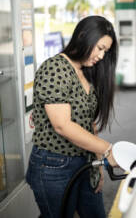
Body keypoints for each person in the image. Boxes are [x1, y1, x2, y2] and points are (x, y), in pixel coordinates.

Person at [26, 15, 119, 218]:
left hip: (85, 161)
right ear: (83, 36)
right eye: (100, 48)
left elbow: (89, 122)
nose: (102, 56)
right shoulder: (54, 68)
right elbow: (62, 126)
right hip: (53, 165)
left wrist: (97, 165)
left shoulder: (87, 71)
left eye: (106, 51)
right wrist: (106, 150)